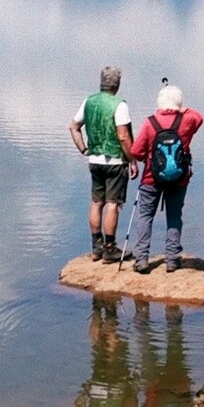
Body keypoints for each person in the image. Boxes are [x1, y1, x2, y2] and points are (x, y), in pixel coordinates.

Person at [124, 81, 204, 273]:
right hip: (179, 178)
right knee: (174, 216)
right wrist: (183, 109)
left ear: (160, 102)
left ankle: (142, 259)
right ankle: (171, 259)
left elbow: (135, 151)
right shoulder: (187, 120)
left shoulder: (150, 122)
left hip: (152, 178)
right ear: (178, 103)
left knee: (145, 216)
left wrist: (147, 158)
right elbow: (199, 118)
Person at [70, 66, 134, 263]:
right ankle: (109, 249)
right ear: (117, 84)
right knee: (113, 204)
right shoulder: (119, 105)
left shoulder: (88, 101)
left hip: (94, 160)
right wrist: (132, 159)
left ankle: (96, 247)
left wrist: (83, 149)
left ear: (101, 82)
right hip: (114, 161)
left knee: (96, 202)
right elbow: (123, 136)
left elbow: (73, 126)